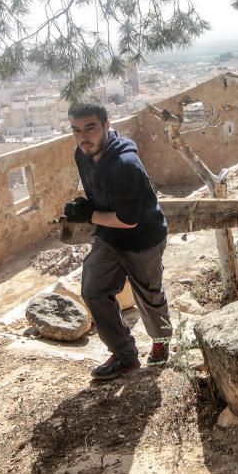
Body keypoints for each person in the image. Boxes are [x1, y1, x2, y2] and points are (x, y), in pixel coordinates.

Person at [63, 103, 173, 380]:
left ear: (106, 125)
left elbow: (128, 220)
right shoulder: (82, 154)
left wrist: (89, 215)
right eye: (76, 130)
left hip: (142, 239)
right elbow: (99, 194)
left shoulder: (126, 165)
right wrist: (84, 206)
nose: (83, 137)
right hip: (110, 237)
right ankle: (124, 354)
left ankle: (161, 342)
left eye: (90, 128)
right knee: (94, 289)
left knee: (148, 295)